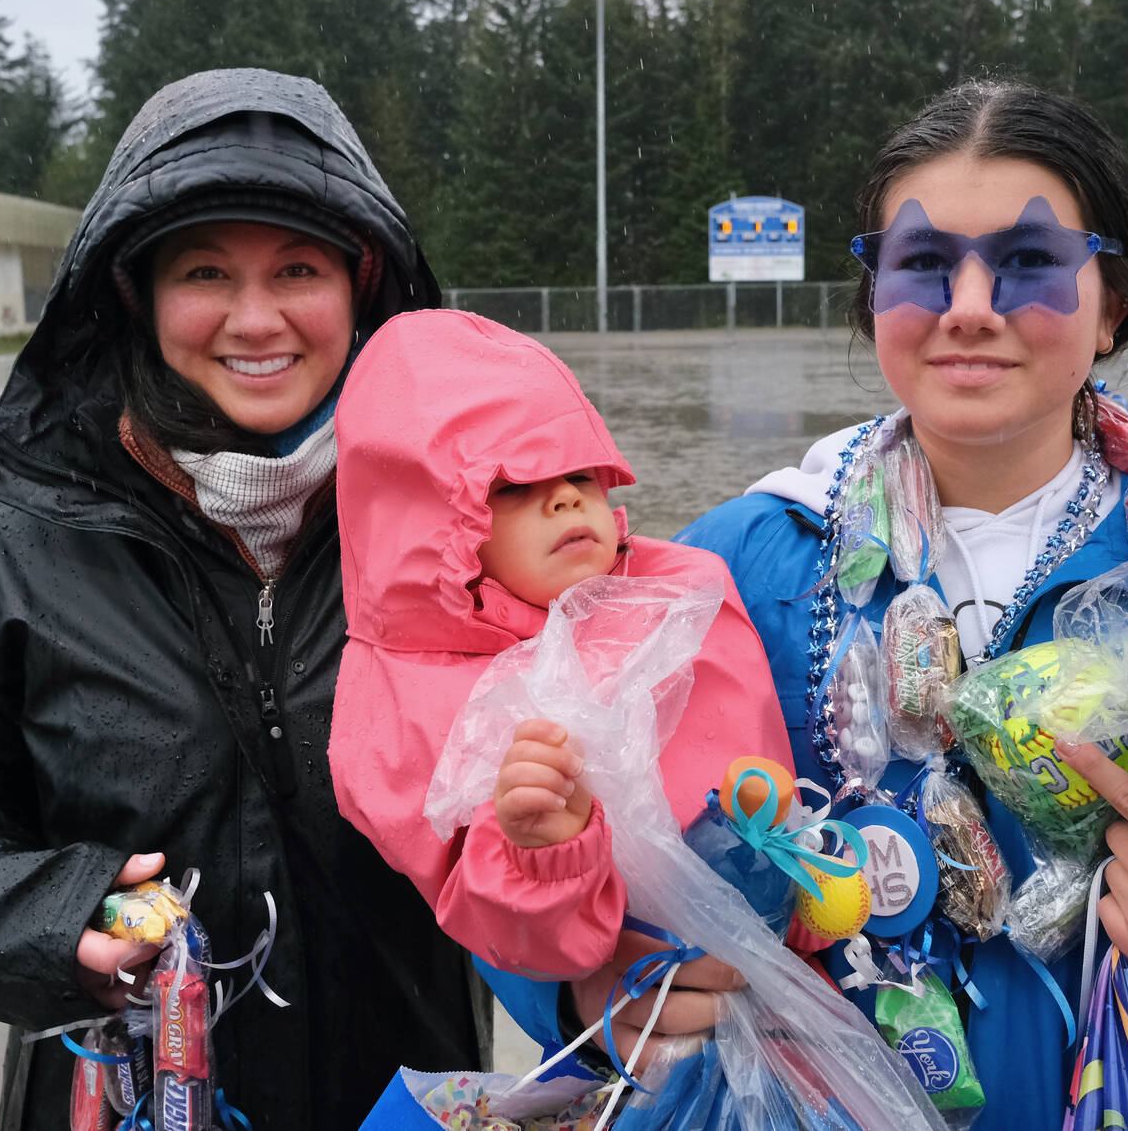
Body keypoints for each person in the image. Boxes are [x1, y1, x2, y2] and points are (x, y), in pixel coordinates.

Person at [484, 78, 1128, 1127]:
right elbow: (512, 836)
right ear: (874, 296)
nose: (970, 305)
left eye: (1029, 260)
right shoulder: (730, 566)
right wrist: (583, 988)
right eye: (923, 262)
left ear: (1112, 303)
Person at [0, 70, 486, 1130]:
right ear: (134, 291)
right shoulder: (12, 540)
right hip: (119, 1097)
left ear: (362, 284)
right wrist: (51, 920)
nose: (255, 318)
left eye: (298, 267)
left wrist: (593, 972)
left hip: (415, 1096)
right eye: (204, 271)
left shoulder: (464, 520)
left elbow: (573, 806)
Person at [328, 308, 798, 981]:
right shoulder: (411, 699)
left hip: (788, 948)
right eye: (515, 486)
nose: (566, 500)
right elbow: (513, 941)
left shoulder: (681, 589)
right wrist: (545, 849)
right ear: (431, 526)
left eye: (580, 476)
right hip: (635, 1003)